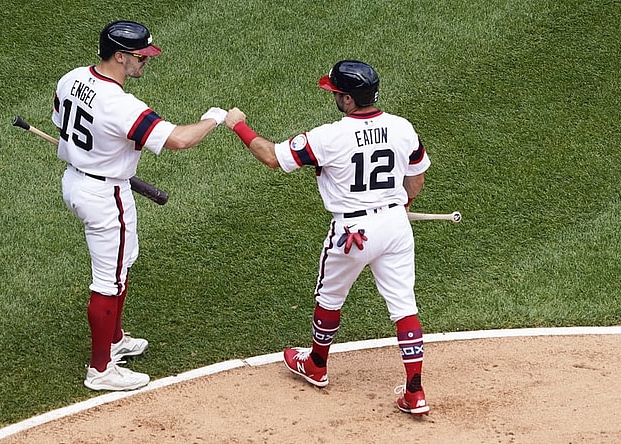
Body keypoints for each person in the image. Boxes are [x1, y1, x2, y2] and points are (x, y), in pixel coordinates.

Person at [224, 60, 431, 416]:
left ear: (349, 99)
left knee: (330, 297)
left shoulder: (330, 136)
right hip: (396, 226)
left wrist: (238, 125)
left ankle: (317, 364)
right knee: (404, 306)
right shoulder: (402, 127)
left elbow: (273, 157)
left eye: (336, 93)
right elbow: (416, 178)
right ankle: (415, 391)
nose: (333, 96)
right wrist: (400, 207)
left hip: (353, 232)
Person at [51, 20, 228, 391]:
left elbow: (64, 125)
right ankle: (101, 370)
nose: (146, 61)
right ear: (120, 56)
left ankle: (115, 340)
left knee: (122, 263)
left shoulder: (71, 78)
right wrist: (214, 118)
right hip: (104, 195)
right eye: (140, 56)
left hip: (79, 180)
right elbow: (178, 140)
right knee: (108, 280)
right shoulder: (120, 105)